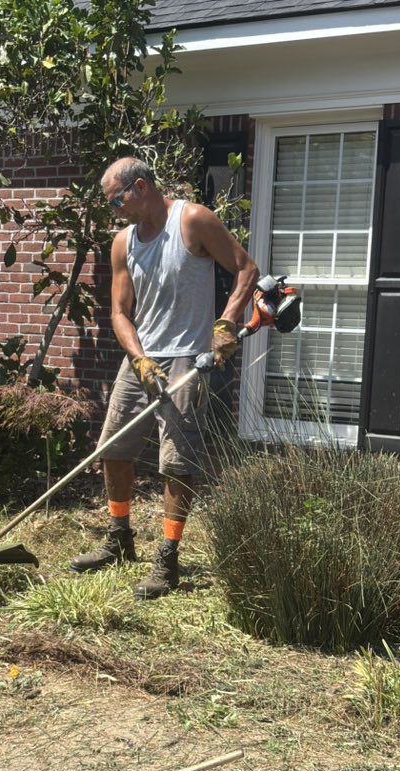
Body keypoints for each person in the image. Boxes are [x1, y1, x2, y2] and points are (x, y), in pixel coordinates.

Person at [70, 156, 259, 599]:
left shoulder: (192, 220)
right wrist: (138, 359)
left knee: (177, 462)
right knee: (113, 447)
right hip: (143, 359)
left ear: (140, 187)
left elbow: (245, 269)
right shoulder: (123, 243)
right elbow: (119, 312)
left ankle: (167, 559)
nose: (116, 210)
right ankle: (119, 538)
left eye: (118, 200)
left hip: (188, 360)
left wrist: (226, 323)